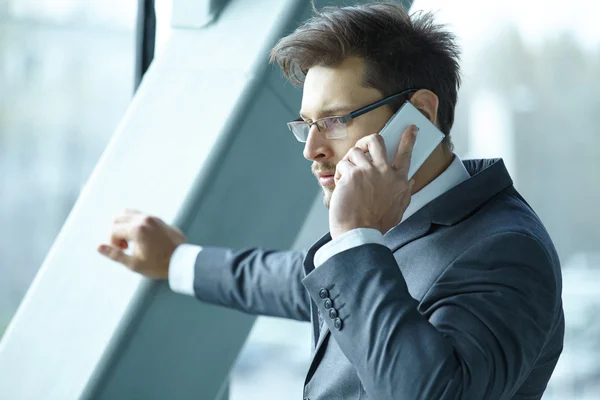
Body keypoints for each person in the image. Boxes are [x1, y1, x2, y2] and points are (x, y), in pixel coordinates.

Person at [97, 2, 564, 399]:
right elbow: (295, 281)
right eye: (307, 124)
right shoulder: (398, 220)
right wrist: (176, 260)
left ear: (419, 114)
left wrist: (356, 237)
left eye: (337, 120)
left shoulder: (506, 251)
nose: (312, 149)